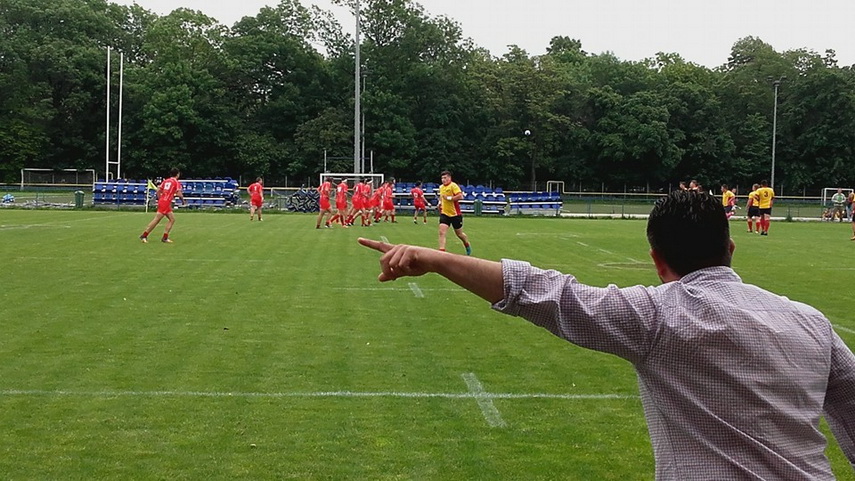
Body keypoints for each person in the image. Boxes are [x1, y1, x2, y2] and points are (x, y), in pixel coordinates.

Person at [358, 190, 855, 480]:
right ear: (730, 248)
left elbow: (548, 294)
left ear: (658, 261)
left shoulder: (657, 317)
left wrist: (434, 259)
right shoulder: (812, 321)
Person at [139, 168, 185, 243]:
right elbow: (179, 193)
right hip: (166, 202)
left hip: (163, 201)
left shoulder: (166, 181)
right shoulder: (176, 182)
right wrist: (183, 201)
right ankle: (144, 235)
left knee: (172, 219)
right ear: (177, 174)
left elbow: (158, 190)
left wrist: (161, 198)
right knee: (157, 219)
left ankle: (165, 237)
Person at [437, 170, 471, 255]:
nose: (443, 180)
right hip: (445, 213)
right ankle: (442, 252)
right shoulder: (441, 187)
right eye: (442, 178)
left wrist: (449, 198)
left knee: (459, 234)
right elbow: (441, 197)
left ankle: (466, 244)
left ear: (449, 178)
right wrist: (440, 203)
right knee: (442, 232)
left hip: (455, 214)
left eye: (445, 178)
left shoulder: (453, 186)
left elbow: (460, 196)